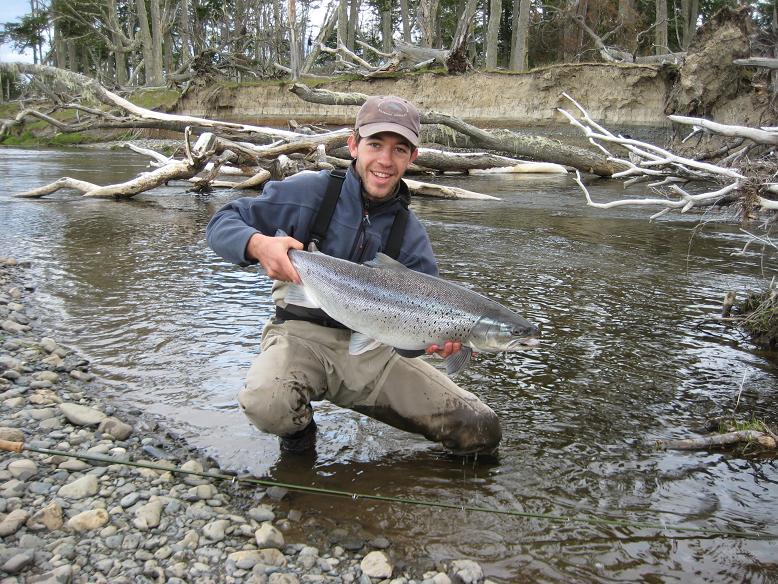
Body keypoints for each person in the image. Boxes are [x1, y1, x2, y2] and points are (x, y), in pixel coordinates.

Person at [206, 95, 501, 455]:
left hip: (372, 353)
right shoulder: (308, 192)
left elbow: (409, 345)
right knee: (268, 403)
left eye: (399, 150)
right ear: (353, 145)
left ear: (413, 158)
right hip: (300, 338)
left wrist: (435, 344)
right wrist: (256, 244)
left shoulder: (411, 236)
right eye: (375, 144)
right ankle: (299, 435)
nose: (385, 160)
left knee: (480, 428)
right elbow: (221, 223)